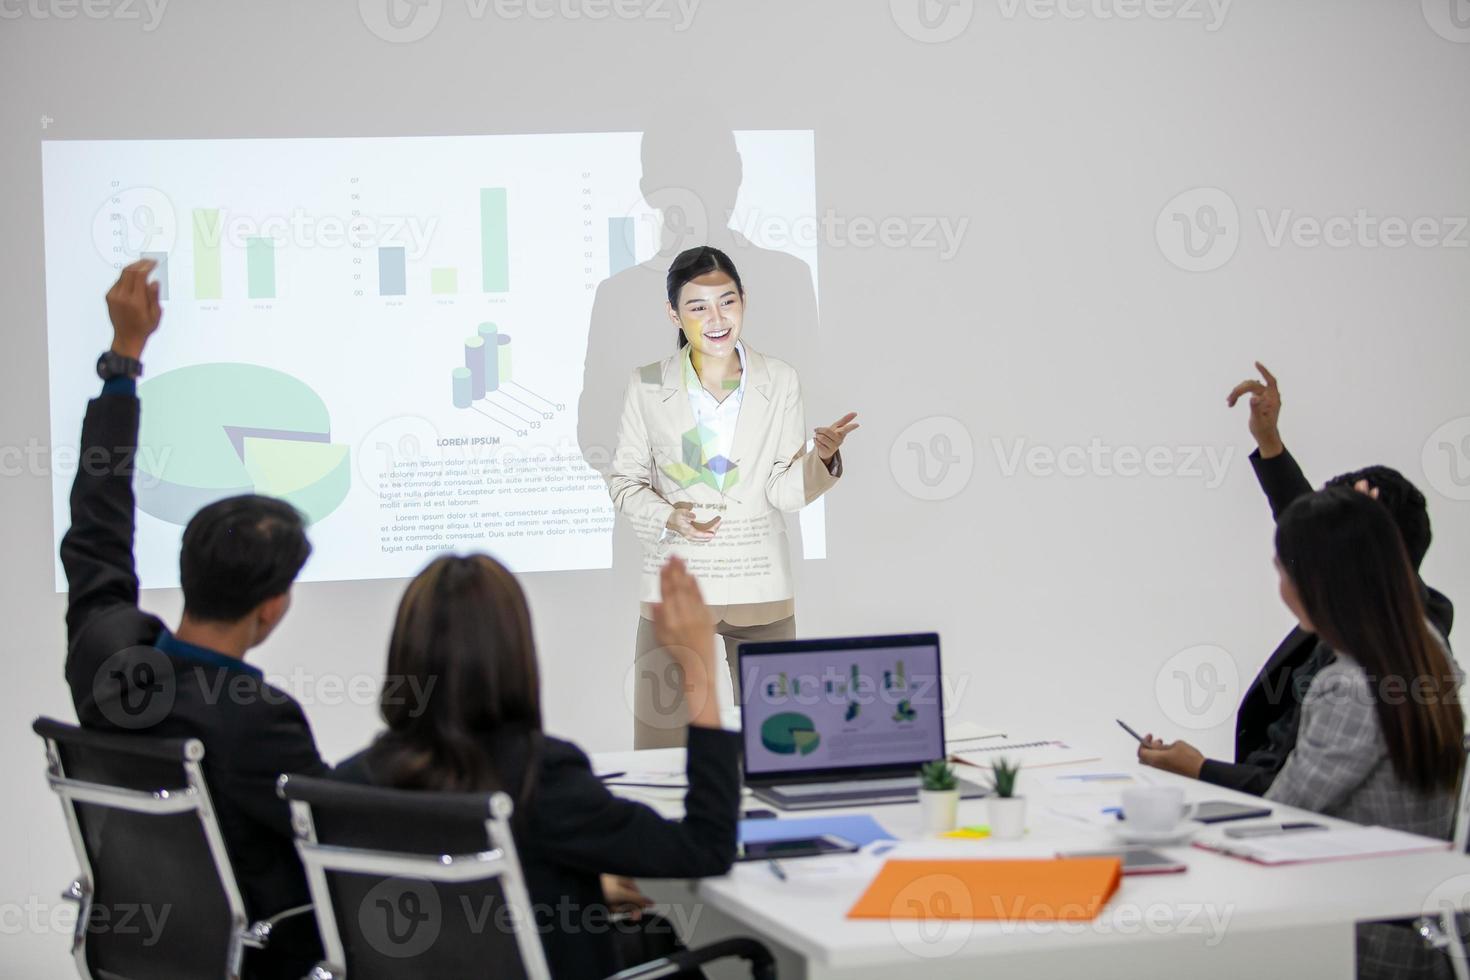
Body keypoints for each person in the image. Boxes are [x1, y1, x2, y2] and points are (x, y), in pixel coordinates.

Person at [62, 259, 327, 978]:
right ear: (273, 607)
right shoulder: (257, 717)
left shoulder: (105, 657)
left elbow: (95, 529)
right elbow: (340, 835)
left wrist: (123, 363)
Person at [331, 554, 740, 978]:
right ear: (515, 654)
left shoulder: (349, 785)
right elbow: (706, 847)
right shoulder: (541, 777)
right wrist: (699, 675)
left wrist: (570, 891)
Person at [1139, 362, 1452, 790]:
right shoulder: (1376, 621)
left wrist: (1197, 768)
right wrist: (1269, 442)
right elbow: (1313, 535)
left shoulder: (1372, 668)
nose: (1291, 575)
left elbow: (1289, 796)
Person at [608, 245, 858, 747]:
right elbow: (625, 481)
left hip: (758, 584)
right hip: (676, 589)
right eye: (698, 306)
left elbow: (782, 491)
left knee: (778, 745)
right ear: (673, 313)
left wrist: (821, 460)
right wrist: (668, 517)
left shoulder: (780, 379)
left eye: (727, 301)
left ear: (744, 300)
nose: (716, 318)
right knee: (663, 750)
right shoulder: (647, 383)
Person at [1257, 488, 1462, 979]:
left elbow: (1280, 813)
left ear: (1319, 581)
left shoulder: (1349, 686)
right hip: (1415, 928)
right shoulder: (1425, 647)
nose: (1281, 588)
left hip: (1358, 938)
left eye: (1282, 571)